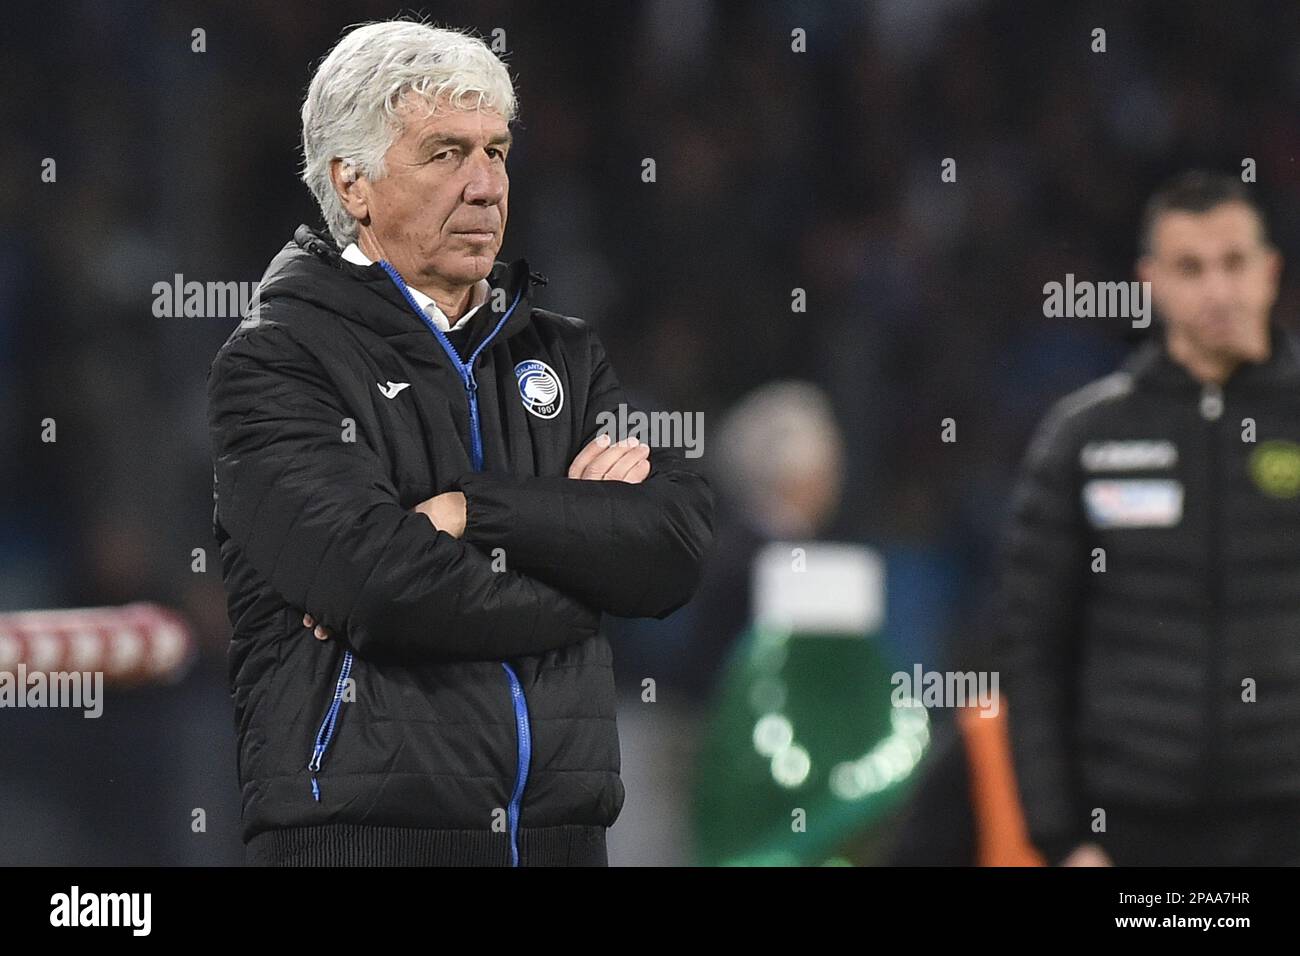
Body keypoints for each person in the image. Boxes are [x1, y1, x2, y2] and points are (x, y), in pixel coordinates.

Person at [205, 20, 713, 866]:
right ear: (352, 183)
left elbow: (675, 543)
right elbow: (382, 585)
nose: (485, 187)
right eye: (445, 154)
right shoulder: (278, 359)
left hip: (562, 839)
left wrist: (471, 510)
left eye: (497, 151)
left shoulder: (562, 353)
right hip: (365, 843)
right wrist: (585, 589)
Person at [995, 171, 1300, 866]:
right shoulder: (1083, 437)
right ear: (1151, 280)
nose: (1218, 291)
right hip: (1131, 833)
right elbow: (1033, 650)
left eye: (1235, 263)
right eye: (1191, 268)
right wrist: (1063, 838)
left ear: (1270, 270)